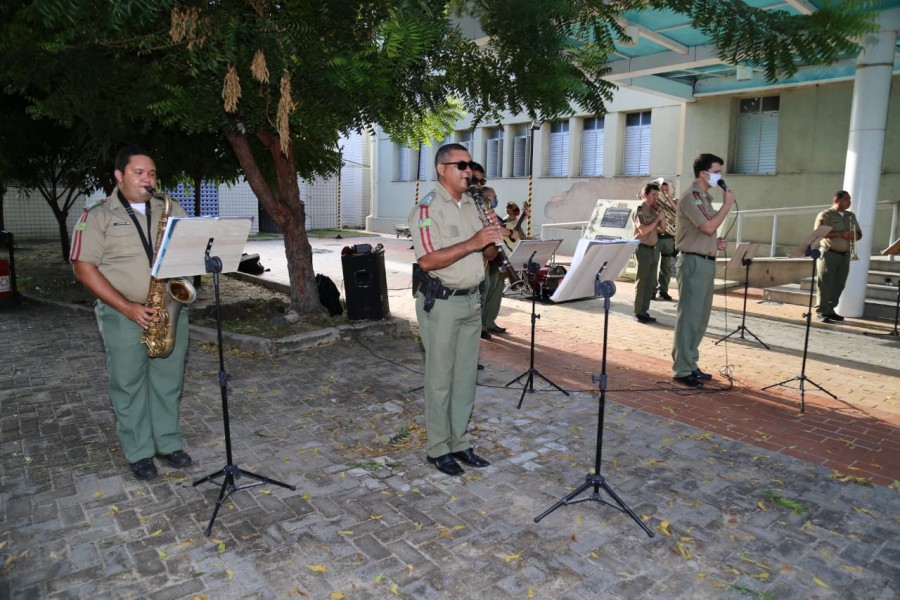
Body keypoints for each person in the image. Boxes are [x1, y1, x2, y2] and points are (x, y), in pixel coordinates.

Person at [70, 146, 192, 480]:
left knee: (168, 382)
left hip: (168, 309)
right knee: (128, 384)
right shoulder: (97, 216)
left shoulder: (171, 208)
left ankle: (168, 443)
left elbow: (189, 255)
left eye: (151, 173)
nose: (147, 179)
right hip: (122, 313)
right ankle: (139, 451)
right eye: (139, 172)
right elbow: (83, 268)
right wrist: (127, 307)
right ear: (119, 175)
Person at [408, 143, 502, 476]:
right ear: (442, 169)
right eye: (461, 165)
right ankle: (437, 448)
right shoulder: (427, 208)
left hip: (471, 301)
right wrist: (475, 241)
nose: (467, 171)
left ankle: (459, 442)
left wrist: (492, 235)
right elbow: (428, 260)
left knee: (464, 378)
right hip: (442, 303)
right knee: (440, 379)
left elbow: (488, 255)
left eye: (470, 165)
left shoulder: (474, 205)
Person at [671, 153, 736, 388]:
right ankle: (681, 369)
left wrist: (714, 244)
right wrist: (727, 204)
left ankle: (690, 362)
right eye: (716, 171)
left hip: (705, 260)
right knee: (689, 316)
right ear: (704, 173)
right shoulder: (692, 197)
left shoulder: (705, 198)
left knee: (700, 318)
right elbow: (708, 227)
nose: (720, 176)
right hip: (693, 263)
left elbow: (704, 232)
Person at [814, 190, 861, 323]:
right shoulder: (826, 215)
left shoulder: (851, 216)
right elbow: (819, 233)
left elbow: (859, 233)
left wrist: (855, 236)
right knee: (825, 283)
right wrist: (841, 234)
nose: (849, 202)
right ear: (836, 200)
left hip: (845, 255)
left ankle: (830, 309)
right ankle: (822, 311)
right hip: (829, 253)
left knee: (839, 284)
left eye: (850, 199)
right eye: (846, 199)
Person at [632, 181, 664, 323]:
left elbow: (662, 229)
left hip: (653, 249)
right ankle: (638, 312)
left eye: (657, 195)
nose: (655, 198)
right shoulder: (639, 209)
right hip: (642, 248)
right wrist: (657, 218)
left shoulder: (653, 210)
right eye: (653, 195)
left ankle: (644, 311)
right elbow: (643, 230)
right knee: (642, 282)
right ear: (645, 195)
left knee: (650, 283)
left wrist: (661, 217)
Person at [479, 186, 508, 337]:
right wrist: (510, 232)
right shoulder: (479, 211)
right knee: (485, 289)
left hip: (496, 256)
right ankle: (480, 325)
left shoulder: (492, 213)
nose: (495, 199)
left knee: (495, 290)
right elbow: (497, 230)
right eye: (493, 197)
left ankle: (489, 321)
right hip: (484, 257)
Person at [654, 180, 677, 301]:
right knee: (653, 266)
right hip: (656, 237)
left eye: (666, 190)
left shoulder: (675, 201)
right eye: (662, 190)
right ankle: (652, 291)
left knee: (666, 267)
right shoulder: (654, 203)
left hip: (668, 238)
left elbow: (679, 213)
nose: (664, 192)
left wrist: (669, 200)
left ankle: (663, 290)